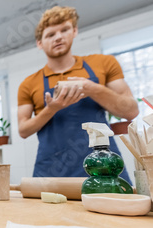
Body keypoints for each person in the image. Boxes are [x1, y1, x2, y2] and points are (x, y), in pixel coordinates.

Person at [17, 6, 138, 179]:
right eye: (50, 34)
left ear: (74, 31)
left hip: (102, 165)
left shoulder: (104, 63)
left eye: (64, 30)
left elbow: (131, 111)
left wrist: (92, 88)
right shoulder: (28, 84)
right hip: (52, 170)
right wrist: (52, 108)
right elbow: (23, 130)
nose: (58, 37)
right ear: (40, 43)